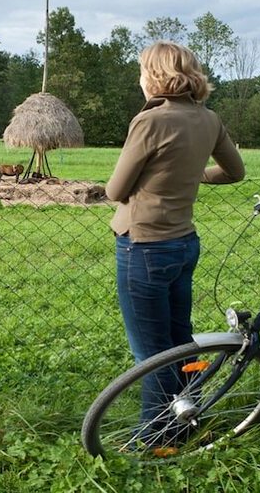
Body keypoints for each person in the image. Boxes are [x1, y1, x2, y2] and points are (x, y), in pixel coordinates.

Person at [105, 42, 245, 444]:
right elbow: (235, 172)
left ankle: (155, 438)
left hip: (143, 244)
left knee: (150, 354)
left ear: (154, 76)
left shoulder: (150, 121)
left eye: (142, 71)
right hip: (184, 242)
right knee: (180, 339)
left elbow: (116, 189)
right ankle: (188, 416)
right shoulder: (208, 119)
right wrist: (195, 175)